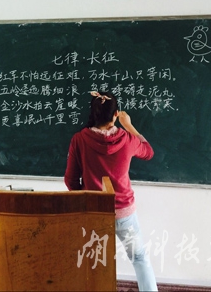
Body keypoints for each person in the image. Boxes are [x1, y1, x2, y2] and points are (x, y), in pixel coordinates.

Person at [64, 91, 157, 291]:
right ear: (115, 115)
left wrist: (86, 200)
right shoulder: (128, 139)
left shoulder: (79, 139)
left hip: (94, 212)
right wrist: (129, 125)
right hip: (125, 213)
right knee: (139, 258)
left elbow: (70, 179)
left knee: (94, 263)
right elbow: (148, 152)